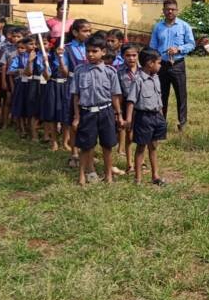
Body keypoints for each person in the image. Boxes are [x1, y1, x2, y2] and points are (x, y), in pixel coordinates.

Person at [70, 33, 124, 186]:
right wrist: (77, 117)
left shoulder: (110, 72)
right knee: (85, 146)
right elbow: (76, 96)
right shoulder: (80, 71)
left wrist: (119, 115)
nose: (90, 55)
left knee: (107, 146)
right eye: (88, 51)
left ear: (103, 52)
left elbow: (115, 96)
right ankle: (82, 175)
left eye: (94, 51)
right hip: (87, 112)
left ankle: (108, 175)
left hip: (105, 111)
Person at [149, 0, 195, 132]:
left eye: (173, 9)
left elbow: (191, 44)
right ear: (163, 10)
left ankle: (182, 123)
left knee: (181, 94)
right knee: (161, 95)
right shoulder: (158, 27)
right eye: (167, 9)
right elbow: (153, 47)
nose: (170, 11)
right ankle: (161, 124)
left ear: (177, 10)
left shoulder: (184, 26)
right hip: (161, 65)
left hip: (178, 65)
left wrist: (179, 49)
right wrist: (154, 60)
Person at [125, 48, 167, 185]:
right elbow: (131, 101)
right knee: (141, 147)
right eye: (159, 63)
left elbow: (158, 98)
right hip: (143, 117)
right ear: (150, 63)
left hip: (156, 116)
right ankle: (138, 178)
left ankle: (155, 175)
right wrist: (129, 120)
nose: (160, 66)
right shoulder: (138, 80)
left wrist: (161, 117)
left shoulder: (156, 78)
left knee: (154, 146)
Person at [63, 19, 92, 167]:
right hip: (73, 87)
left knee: (88, 120)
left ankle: (87, 151)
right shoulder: (66, 49)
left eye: (89, 31)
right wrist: (60, 59)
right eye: (85, 31)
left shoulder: (91, 47)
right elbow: (64, 72)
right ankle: (74, 153)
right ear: (75, 32)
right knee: (74, 120)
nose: (88, 34)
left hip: (89, 87)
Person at [40, 42, 70, 151]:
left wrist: (61, 59)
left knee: (66, 116)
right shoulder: (48, 57)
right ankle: (54, 142)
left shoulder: (67, 57)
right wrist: (45, 64)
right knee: (52, 115)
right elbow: (46, 76)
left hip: (65, 86)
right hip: (52, 86)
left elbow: (66, 73)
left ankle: (65, 142)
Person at [116, 43, 140, 174]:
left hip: (142, 107)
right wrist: (118, 113)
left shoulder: (144, 71)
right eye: (128, 55)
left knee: (143, 137)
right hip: (127, 107)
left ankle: (141, 162)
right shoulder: (119, 73)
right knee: (129, 136)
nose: (131, 58)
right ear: (122, 56)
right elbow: (118, 95)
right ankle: (130, 164)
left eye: (134, 55)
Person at [8, 37, 33, 137]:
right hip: (21, 84)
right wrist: (18, 70)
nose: (20, 50)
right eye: (18, 48)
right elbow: (9, 71)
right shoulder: (17, 58)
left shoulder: (32, 57)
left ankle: (30, 128)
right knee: (20, 106)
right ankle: (22, 129)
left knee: (30, 107)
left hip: (31, 84)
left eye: (22, 48)